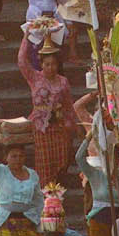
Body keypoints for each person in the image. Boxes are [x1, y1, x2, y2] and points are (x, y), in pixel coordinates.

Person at [18, 34, 78, 187]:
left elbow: (68, 106)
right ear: (42, 65)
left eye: (53, 64)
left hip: (59, 127)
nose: (51, 68)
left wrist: (73, 127)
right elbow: (22, 61)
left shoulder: (63, 81)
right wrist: (26, 37)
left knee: (62, 162)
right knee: (44, 167)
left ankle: (56, 199)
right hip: (41, 128)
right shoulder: (35, 78)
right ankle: (47, 202)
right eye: (47, 64)